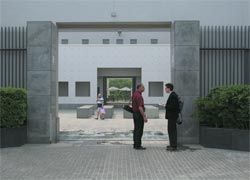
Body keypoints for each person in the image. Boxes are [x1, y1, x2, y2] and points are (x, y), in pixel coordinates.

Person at [132, 83, 148, 150]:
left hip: (135, 114)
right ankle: (138, 145)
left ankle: (135, 144)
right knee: (139, 130)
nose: (144, 88)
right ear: (139, 88)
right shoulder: (139, 96)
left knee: (136, 129)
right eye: (143, 87)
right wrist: (144, 116)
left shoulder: (135, 94)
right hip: (138, 114)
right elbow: (140, 107)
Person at [164, 83, 179, 151]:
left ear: (169, 88)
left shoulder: (173, 95)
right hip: (172, 116)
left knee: (172, 131)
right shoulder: (172, 95)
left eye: (166, 88)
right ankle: (172, 145)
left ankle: (173, 146)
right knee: (171, 130)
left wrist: (165, 106)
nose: (165, 89)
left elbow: (173, 107)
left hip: (172, 117)